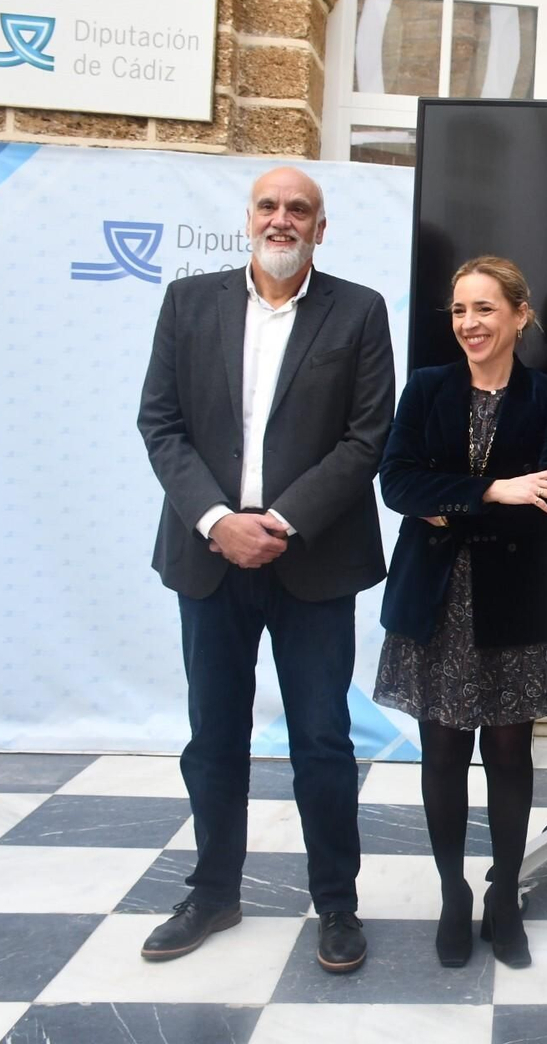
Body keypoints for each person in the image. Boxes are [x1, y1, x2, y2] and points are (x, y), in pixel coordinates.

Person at [136, 167, 395, 972]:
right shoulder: (189, 303)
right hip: (210, 555)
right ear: (249, 218)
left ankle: (337, 904)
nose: (283, 219)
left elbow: (367, 436)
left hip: (312, 557)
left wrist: (278, 522)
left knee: (322, 738)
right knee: (214, 734)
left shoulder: (359, 311)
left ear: (321, 228)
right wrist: (219, 521)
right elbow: (160, 422)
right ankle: (214, 891)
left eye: (299, 209)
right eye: (270, 206)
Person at [373, 256, 547, 969]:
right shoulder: (427, 387)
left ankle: (504, 894)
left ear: (520, 315)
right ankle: (452, 894)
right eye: (460, 310)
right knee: (442, 754)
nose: (469, 323)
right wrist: (493, 491)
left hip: (516, 601)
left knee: (510, 755)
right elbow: (396, 483)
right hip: (435, 602)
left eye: (484, 308)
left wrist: (448, 500)